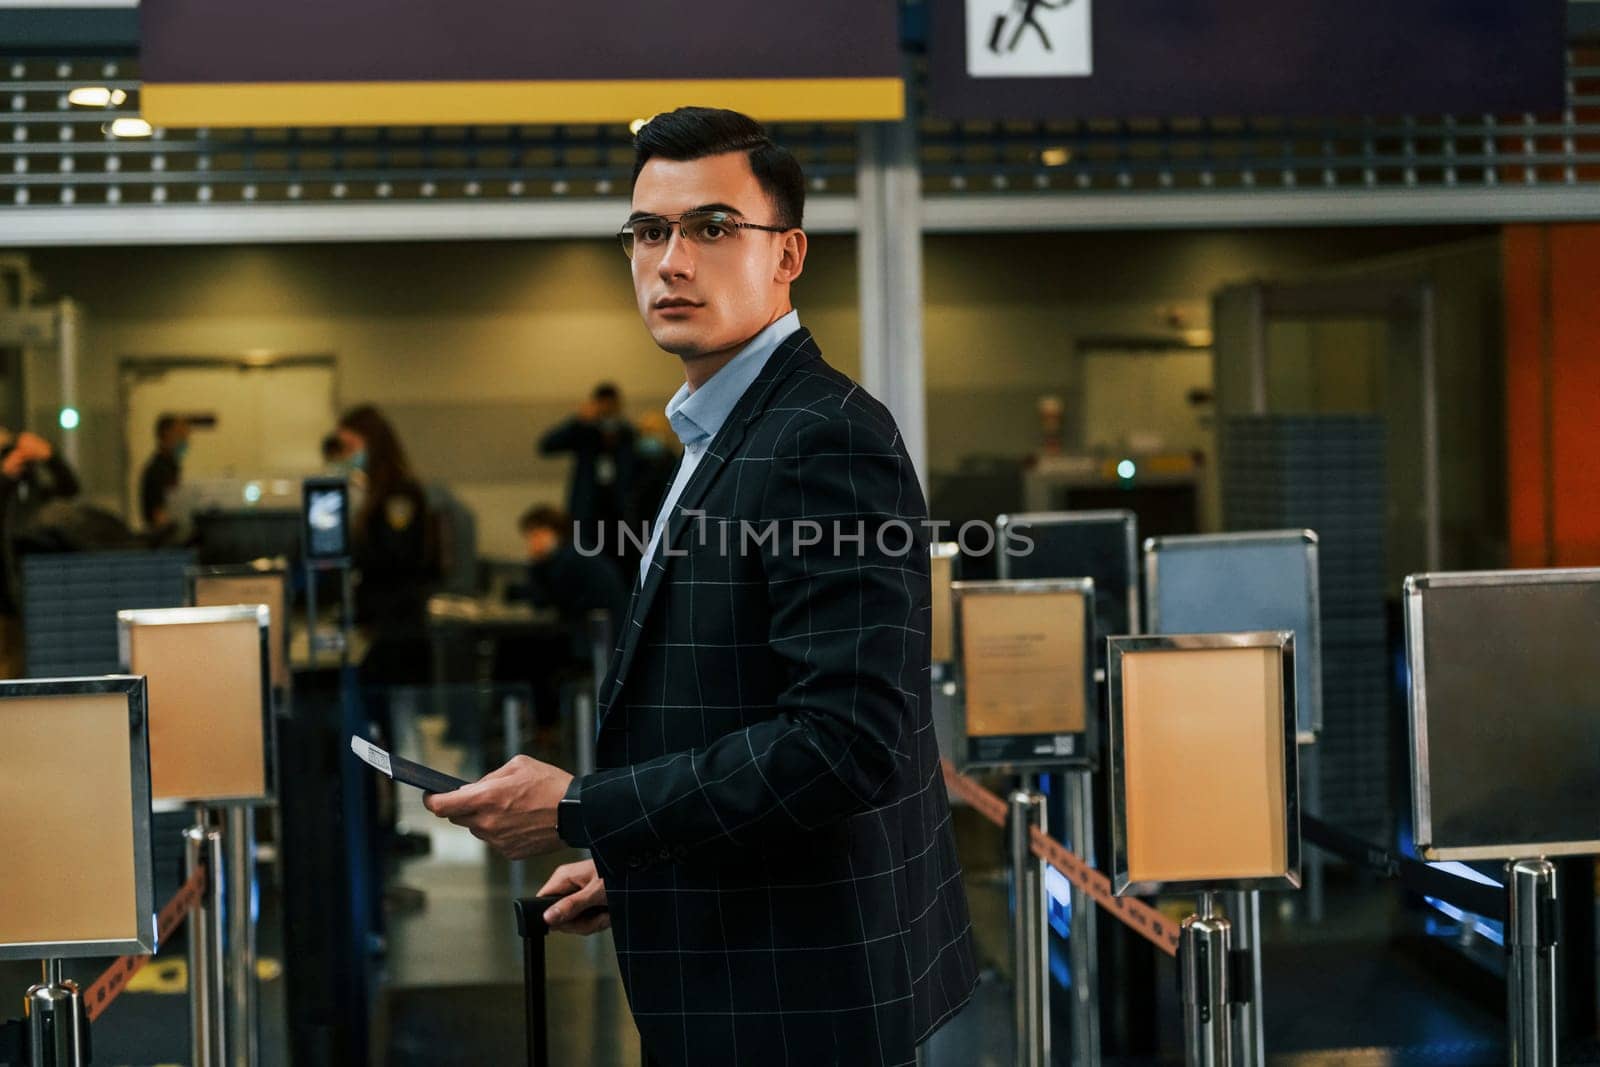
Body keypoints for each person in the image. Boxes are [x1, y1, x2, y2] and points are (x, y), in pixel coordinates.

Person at [427, 107, 976, 1065]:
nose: (672, 260)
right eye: (649, 231)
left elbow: (844, 742)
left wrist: (582, 809)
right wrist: (641, 859)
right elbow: (727, 705)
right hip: (736, 942)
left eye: (713, 228)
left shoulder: (822, 435)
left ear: (787, 254)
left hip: (795, 995)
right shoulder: (720, 428)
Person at [513, 504, 628, 736]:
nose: (532, 542)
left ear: (553, 531)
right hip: (599, 640)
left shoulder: (570, 559)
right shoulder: (577, 553)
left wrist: (536, 565)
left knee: (524, 659)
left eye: (536, 534)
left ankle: (543, 729)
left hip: (593, 646)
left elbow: (547, 599)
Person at [0, 429, 81, 676]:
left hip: (34, 589)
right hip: (5, 591)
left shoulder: (32, 491)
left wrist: (50, 456)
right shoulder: (6, 490)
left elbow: (70, 488)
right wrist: (3, 478)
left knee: (24, 662)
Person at [538, 383, 634, 559]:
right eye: (603, 404)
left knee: (618, 557)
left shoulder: (627, 433)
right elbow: (546, 446)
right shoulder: (584, 431)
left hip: (617, 510)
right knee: (584, 554)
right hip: (587, 509)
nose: (607, 410)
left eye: (611, 405)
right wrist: (578, 421)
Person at [626, 410, 678, 532]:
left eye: (655, 431)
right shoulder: (633, 461)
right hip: (638, 524)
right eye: (646, 431)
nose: (650, 436)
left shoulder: (673, 462)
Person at [138, 414, 189, 530]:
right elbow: (159, 516)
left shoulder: (172, 468)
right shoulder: (157, 470)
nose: (185, 441)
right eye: (181, 435)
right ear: (167, 434)